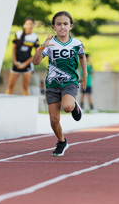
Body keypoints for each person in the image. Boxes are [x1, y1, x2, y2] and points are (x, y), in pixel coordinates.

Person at [33, 11, 87, 157]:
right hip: (52, 84)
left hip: (70, 82)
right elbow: (36, 62)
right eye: (59, 24)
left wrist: (85, 75)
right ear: (53, 27)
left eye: (65, 24)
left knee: (67, 106)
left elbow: (82, 57)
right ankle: (62, 141)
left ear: (71, 26)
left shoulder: (76, 43)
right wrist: (42, 47)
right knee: (54, 120)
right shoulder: (50, 44)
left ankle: (74, 105)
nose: (62, 27)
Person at [6, 17, 38, 96]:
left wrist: (25, 64)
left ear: (33, 25)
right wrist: (15, 61)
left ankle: (27, 106)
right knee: (10, 85)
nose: (29, 26)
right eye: (27, 24)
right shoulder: (18, 34)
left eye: (31, 24)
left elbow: (36, 54)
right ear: (24, 25)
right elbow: (13, 49)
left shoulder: (35, 37)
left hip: (27, 64)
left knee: (26, 86)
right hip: (16, 63)